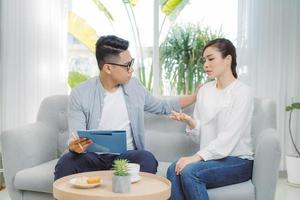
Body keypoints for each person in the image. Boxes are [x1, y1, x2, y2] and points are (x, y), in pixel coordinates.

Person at [54, 35, 196, 180]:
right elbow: (75, 136)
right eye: (127, 65)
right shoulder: (80, 93)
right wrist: (75, 146)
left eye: (131, 63)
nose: (131, 70)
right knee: (66, 163)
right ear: (108, 68)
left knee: (147, 159)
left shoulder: (135, 87)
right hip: (92, 157)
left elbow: (163, 106)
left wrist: (195, 96)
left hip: (125, 157)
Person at [168, 38, 254, 200]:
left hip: (237, 160)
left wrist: (195, 158)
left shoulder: (243, 92)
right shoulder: (205, 91)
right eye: (204, 60)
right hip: (211, 158)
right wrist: (190, 122)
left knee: (190, 172)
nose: (206, 64)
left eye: (211, 58)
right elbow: (200, 136)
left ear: (228, 59)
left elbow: (228, 138)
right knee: (173, 170)